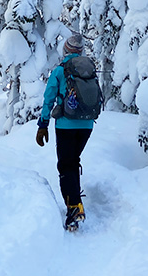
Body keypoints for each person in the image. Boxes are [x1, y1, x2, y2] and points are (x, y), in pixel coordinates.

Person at [36, 33, 95, 230]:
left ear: (66, 50)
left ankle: (74, 209)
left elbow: (48, 99)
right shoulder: (88, 69)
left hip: (65, 125)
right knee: (72, 161)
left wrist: (43, 125)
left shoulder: (60, 71)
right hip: (87, 125)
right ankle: (75, 202)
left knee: (65, 165)